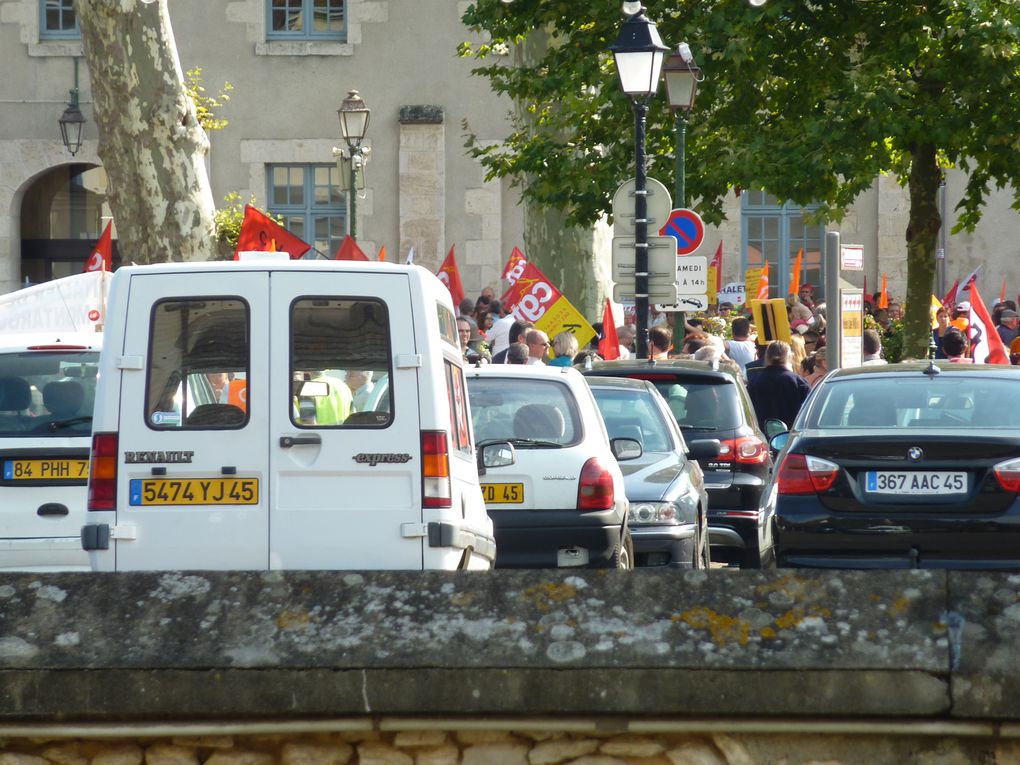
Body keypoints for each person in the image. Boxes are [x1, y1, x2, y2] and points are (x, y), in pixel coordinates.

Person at [747, 340, 811, 430]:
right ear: (789, 356)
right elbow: (809, 412)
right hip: (792, 435)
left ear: (767, 356)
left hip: (763, 434)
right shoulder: (798, 382)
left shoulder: (754, 381)